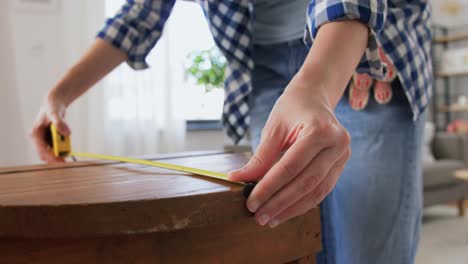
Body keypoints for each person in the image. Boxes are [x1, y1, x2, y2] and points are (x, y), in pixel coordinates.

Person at [30, 0, 432, 263]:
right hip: (265, 66)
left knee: (367, 254)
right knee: (287, 241)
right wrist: (59, 96)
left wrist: (320, 77)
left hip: (364, 51)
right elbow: (139, 15)